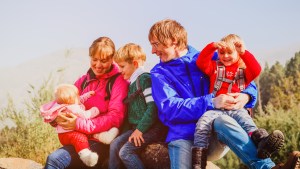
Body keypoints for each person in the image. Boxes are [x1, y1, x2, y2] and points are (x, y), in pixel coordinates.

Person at [148, 19, 300, 169]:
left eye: (155, 44)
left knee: (222, 120)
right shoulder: (158, 73)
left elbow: (245, 79)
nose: (152, 51)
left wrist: (246, 96)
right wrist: (212, 101)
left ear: (173, 40)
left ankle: (268, 168)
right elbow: (170, 108)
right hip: (182, 137)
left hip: (214, 133)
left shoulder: (212, 58)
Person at [192, 34, 285, 168]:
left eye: (230, 52)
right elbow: (201, 62)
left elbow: (256, 69)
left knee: (248, 123)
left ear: (238, 53)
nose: (225, 56)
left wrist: (244, 52)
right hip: (215, 110)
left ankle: (262, 142)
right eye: (222, 52)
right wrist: (212, 46)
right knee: (202, 125)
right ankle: (198, 159)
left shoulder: (243, 71)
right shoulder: (214, 68)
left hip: (236, 109)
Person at [44, 36, 129, 169]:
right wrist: (55, 117)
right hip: (77, 139)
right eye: (94, 60)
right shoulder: (84, 80)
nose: (98, 65)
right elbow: (63, 101)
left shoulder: (118, 82)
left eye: (104, 61)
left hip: (100, 141)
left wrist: (78, 123)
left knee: (54, 160)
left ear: (112, 59)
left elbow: (115, 117)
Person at [109, 43, 167, 169]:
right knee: (115, 144)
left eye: (122, 66)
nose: (120, 70)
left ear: (135, 64)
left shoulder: (144, 79)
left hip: (151, 128)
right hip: (137, 128)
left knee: (126, 152)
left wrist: (139, 130)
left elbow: (153, 108)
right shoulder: (131, 84)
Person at [40, 84, 119, 167]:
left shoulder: (65, 103)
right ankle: (86, 156)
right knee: (80, 138)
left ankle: (104, 137)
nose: (79, 97)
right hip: (69, 134)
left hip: (68, 133)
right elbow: (86, 115)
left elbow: (80, 98)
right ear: (72, 99)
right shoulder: (73, 108)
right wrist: (95, 110)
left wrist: (88, 95)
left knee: (85, 134)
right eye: (77, 96)